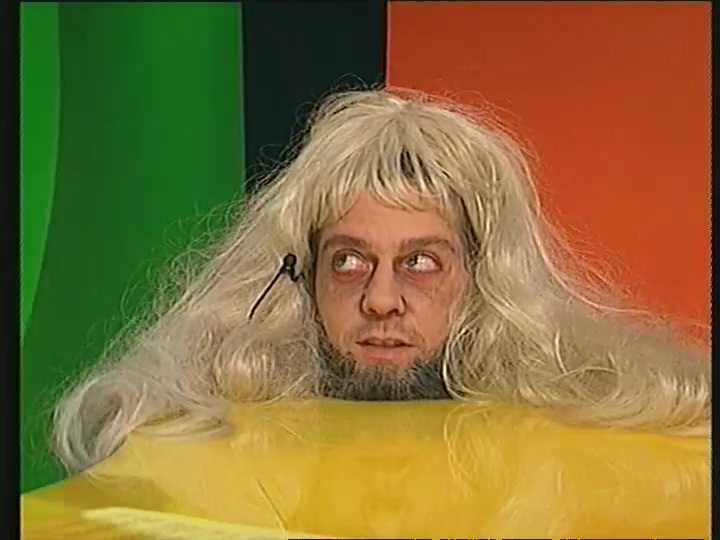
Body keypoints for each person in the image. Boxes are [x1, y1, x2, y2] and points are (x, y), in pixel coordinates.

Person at [52, 87, 710, 475]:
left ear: (481, 279)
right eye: (349, 262)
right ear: (301, 278)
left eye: (421, 263)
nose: (382, 300)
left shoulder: (578, 433)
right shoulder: (210, 427)